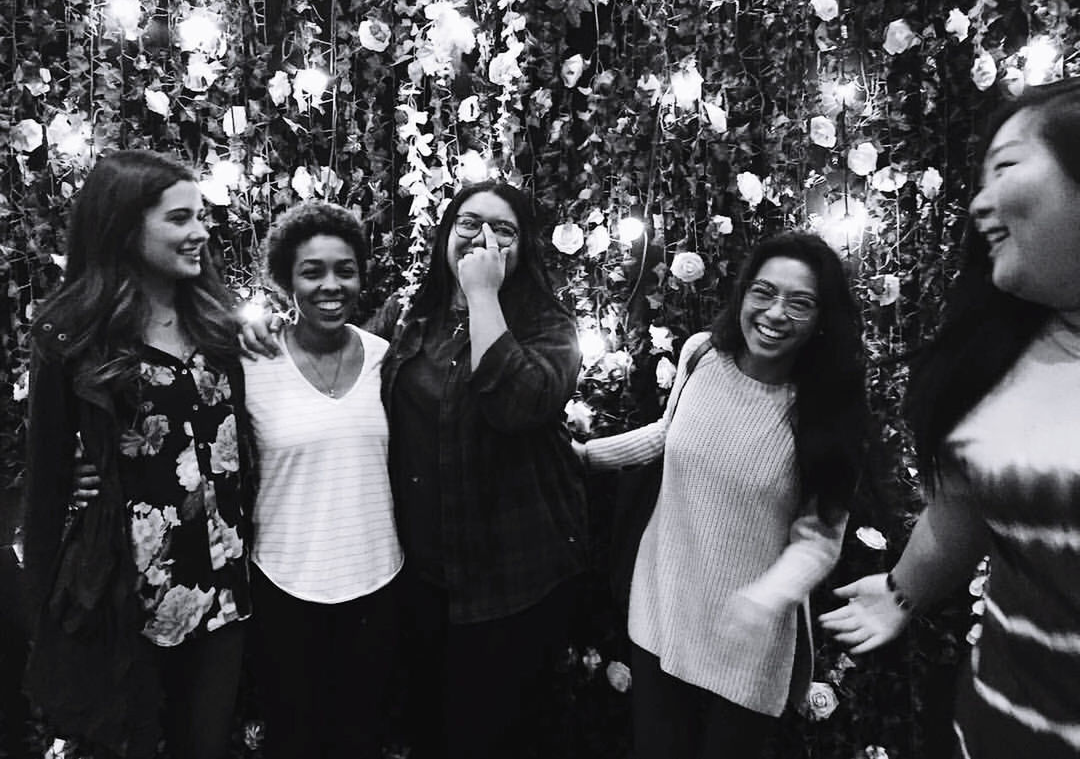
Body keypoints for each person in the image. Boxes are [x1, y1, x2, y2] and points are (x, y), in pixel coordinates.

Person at [819, 79, 1080, 758]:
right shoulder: (995, 364)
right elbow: (959, 513)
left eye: (1008, 167)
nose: (979, 202)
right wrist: (901, 592)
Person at [578, 231, 870, 758]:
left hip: (746, 644)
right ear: (743, 294)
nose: (775, 313)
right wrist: (586, 457)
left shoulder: (828, 410)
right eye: (764, 292)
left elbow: (820, 540)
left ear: (822, 318)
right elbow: (670, 434)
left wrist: (766, 597)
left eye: (799, 303)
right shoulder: (701, 355)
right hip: (662, 607)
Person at [21, 149, 252, 759]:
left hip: (225, 589)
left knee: (208, 745)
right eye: (179, 218)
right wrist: (41, 622)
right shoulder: (69, 338)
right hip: (128, 598)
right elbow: (43, 490)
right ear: (124, 225)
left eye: (201, 216)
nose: (200, 231)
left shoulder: (218, 324)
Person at [364, 181, 588, 759]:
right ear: (445, 233)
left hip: (509, 582)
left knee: (492, 736)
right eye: (468, 223)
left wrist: (484, 296)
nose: (482, 238)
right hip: (420, 575)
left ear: (525, 247)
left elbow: (516, 405)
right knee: (427, 730)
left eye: (503, 230)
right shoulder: (411, 316)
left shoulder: (551, 328)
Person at [243, 201, 402, 759]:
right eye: (312, 272)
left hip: (378, 584)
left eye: (345, 270)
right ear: (287, 279)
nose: (330, 285)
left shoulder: (389, 361)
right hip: (284, 586)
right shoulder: (249, 363)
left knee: (362, 736)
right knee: (294, 738)